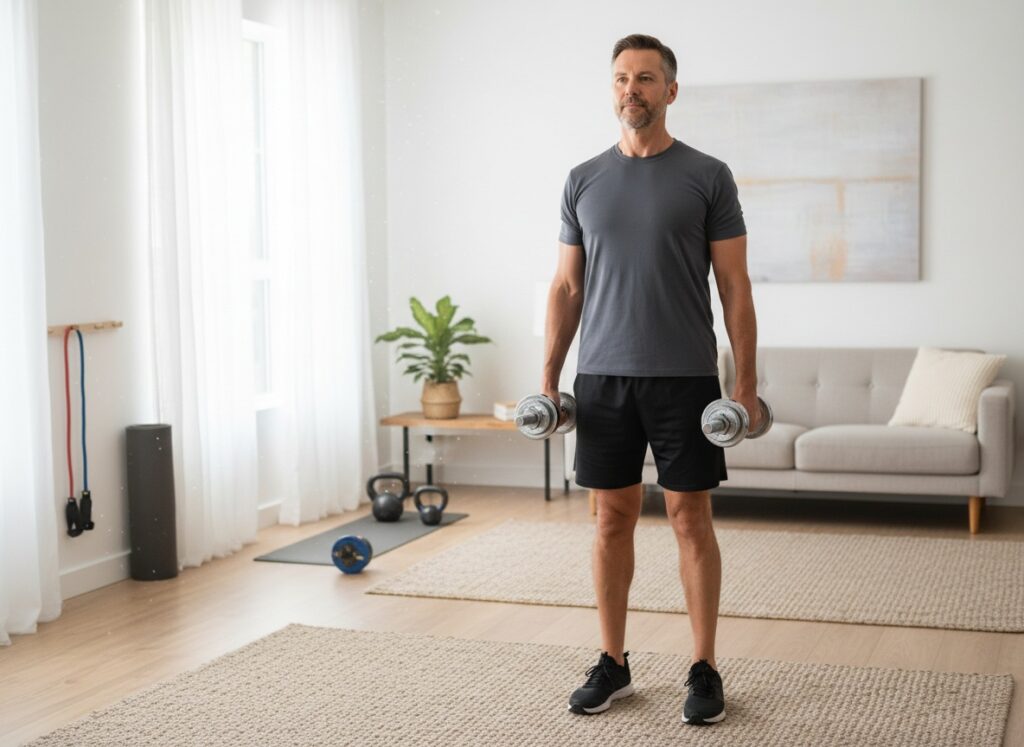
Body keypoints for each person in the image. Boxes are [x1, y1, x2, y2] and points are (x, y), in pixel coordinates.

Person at [541, 33, 760, 726]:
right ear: (612, 89)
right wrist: (548, 374)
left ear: (670, 90)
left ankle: (704, 665)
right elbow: (566, 287)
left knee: (690, 519)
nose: (630, 89)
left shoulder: (708, 175)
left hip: (687, 378)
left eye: (645, 78)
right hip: (603, 377)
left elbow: (734, 285)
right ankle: (613, 661)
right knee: (610, 520)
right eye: (620, 78)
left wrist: (745, 383)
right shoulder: (582, 178)